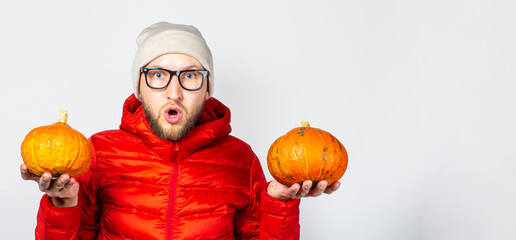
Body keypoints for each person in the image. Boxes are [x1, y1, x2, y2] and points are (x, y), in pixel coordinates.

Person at [20, 22, 340, 240]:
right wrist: (62, 205)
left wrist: (279, 204)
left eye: (190, 77)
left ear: (207, 89)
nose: (174, 92)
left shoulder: (240, 159)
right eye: (158, 75)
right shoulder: (99, 152)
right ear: (140, 88)